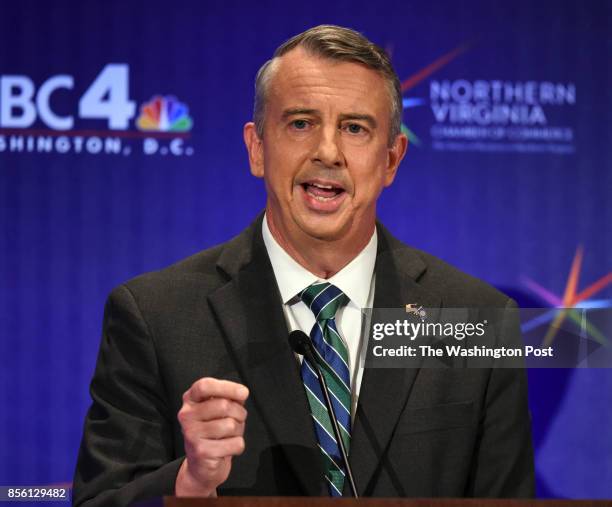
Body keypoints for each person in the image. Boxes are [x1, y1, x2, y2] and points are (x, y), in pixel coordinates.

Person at [73, 25, 534, 506]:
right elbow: (100, 500)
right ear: (257, 148)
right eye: (300, 123)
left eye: (355, 128)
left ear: (392, 159)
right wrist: (190, 483)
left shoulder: (477, 319)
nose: (327, 152)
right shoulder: (156, 316)